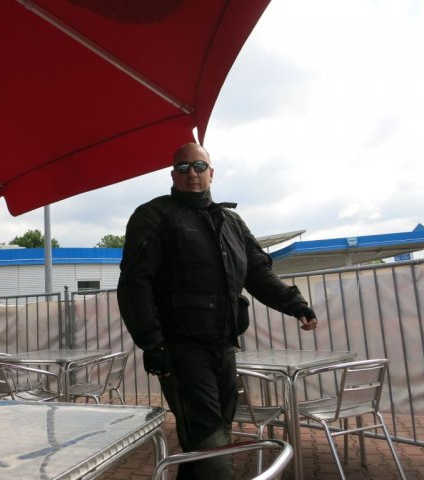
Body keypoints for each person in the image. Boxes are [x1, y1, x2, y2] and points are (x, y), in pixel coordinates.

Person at [117, 142, 317, 479]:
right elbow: (135, 283)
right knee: (209, 436)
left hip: (224, 347)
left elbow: (258, 273)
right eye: (183, 167)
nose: (191, 173)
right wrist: (152, 344)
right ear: (173, 175)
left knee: (211, 434)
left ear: (211, 172)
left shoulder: (231, 222)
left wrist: (294, 303)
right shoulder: (153, 216)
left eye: (198, 166)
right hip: (180, 350)